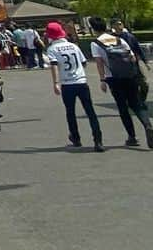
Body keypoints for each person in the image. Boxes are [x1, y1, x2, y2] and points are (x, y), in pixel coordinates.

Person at [89, 15, 153, 148]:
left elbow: (99, 63)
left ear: (93, 29)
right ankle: (147, 125)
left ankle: (132, 136)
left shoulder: (95, 43)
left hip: (113, 78)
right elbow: (133, 57)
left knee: (123, 107)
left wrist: (102, 80)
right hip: (130, 76)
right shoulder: (119, 39)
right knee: (136, 103)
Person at [44, 20, 103, 151]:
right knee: (90, 111)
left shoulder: (52, 49)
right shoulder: (73, 46)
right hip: (81, 81)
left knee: (70, 112)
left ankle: (76, 138)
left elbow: (53, 66)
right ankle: (98, 140)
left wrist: (55, 83)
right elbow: (84, 63)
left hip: (67, 83)